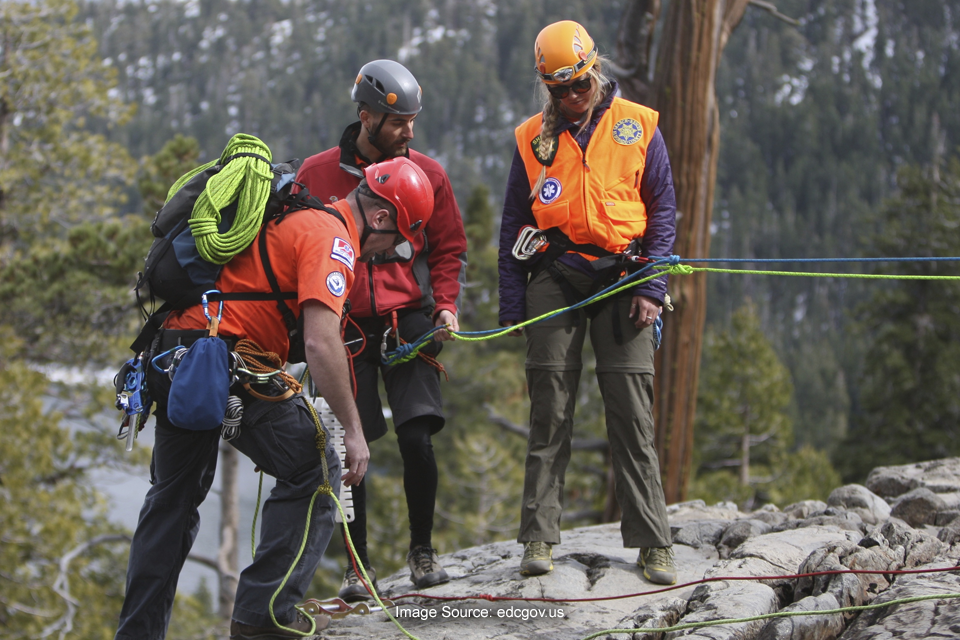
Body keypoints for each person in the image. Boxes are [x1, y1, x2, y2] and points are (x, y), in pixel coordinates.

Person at [114, 156, 434, 640]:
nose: (388, 254)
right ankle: (264, 619)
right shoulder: (334, 240)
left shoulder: (292, 216)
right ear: (382, 218)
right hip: (222, 362)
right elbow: (322, 343)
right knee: (316, 464)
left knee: (171, 502)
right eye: (396, 242)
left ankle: (137, 634)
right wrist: (352, 431)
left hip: (175, 356)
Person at [497, 20, 679, 585]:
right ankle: (538, 537)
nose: (572, 97)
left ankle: (653, 543)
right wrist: (512, 307)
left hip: (624, 274)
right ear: (546, 87)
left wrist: (652, 287)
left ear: (595, 72)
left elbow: (663, 213)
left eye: (579, 85)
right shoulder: (532, 139)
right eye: (559, 89)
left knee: (630, 409)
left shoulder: (638, 126)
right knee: (549, 406)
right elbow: (512, 225)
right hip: (554, 274)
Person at [297, 60, 467, 598]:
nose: (409, 133)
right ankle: (358, 568)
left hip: (406, 316)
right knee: (354, 444)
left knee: (417, 433)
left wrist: (444, 305)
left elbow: (448, 248)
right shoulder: (317, 174)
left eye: (414, 121)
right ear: (366, 116)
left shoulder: (429, 175)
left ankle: (422, 552)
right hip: (340, 321)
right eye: (399, 123)